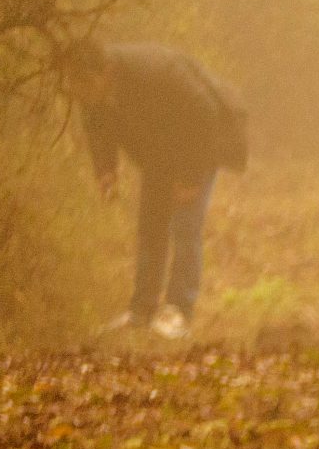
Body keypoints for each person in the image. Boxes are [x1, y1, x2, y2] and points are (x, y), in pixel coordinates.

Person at [63, 40, 249, 340]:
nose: (77, 91)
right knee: (150, 225)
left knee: (186, 224)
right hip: (160, 153)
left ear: (106, 72)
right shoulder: (94, 95)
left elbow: (204, 113)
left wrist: (190, 177)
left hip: (202, 143)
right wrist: (106, 170)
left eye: (83, 82)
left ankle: (179, 311)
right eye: (73, 83)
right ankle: (142, 311)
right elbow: (97, 127)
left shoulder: (157, 72)